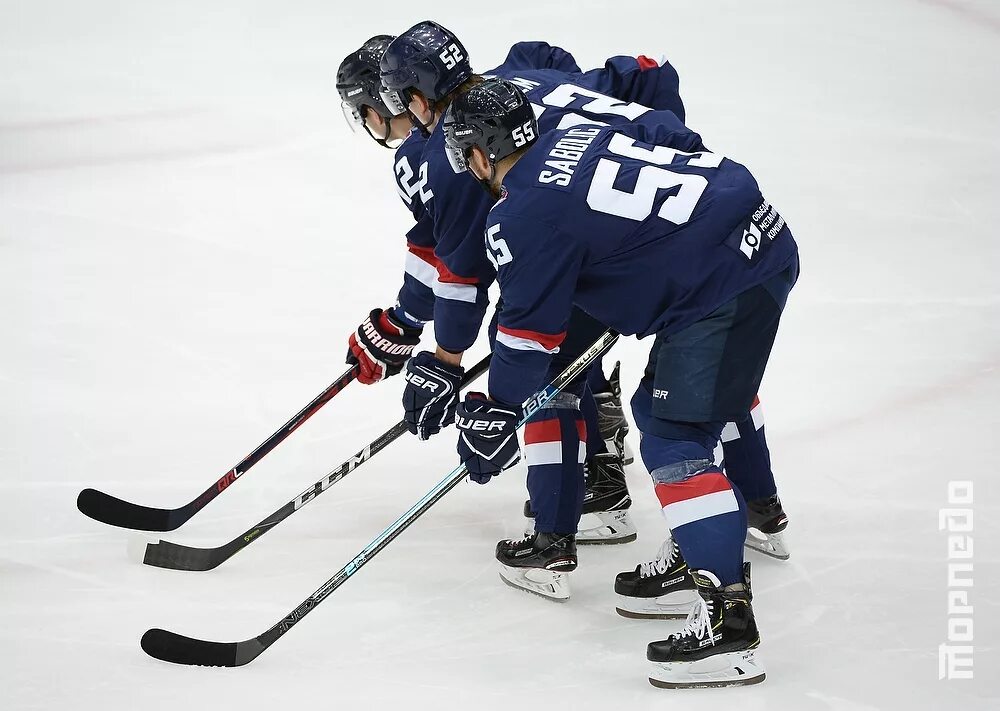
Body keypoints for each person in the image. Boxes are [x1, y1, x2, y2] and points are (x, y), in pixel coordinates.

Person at [443, 77, 799, 688]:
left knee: (674, 438)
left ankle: (728, 626)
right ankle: (707, 546)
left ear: (479, 154)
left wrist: (498, 410)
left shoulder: (521, 214)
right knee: (663, 408)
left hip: (722, 283)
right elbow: (671, 133)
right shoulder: (576, 131)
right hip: (755, 233)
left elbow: (528, 339)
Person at [342, 20, 691, 554]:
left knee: (537, 357)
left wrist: (445, 358)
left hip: (591, 245)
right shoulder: (519, 79)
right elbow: (639, 73)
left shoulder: (443, 155)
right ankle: (610, 441)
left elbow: (460, 268)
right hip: (671, 214)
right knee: (566, 329)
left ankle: (581, 507)